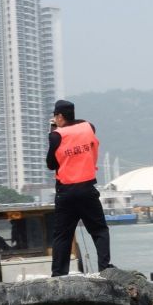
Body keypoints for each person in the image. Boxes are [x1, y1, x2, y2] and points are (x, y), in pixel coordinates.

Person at [46, 99, 111, 276]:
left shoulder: (56, 136)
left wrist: (54, 130)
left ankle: (59, 274)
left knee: (62, 236)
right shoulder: (89, 127)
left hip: (66, 192)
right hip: (87, 189)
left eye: (55, 116)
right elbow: (83, 123)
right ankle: (105, 269)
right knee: (99, 230)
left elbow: (51, 164)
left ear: (59, 116)